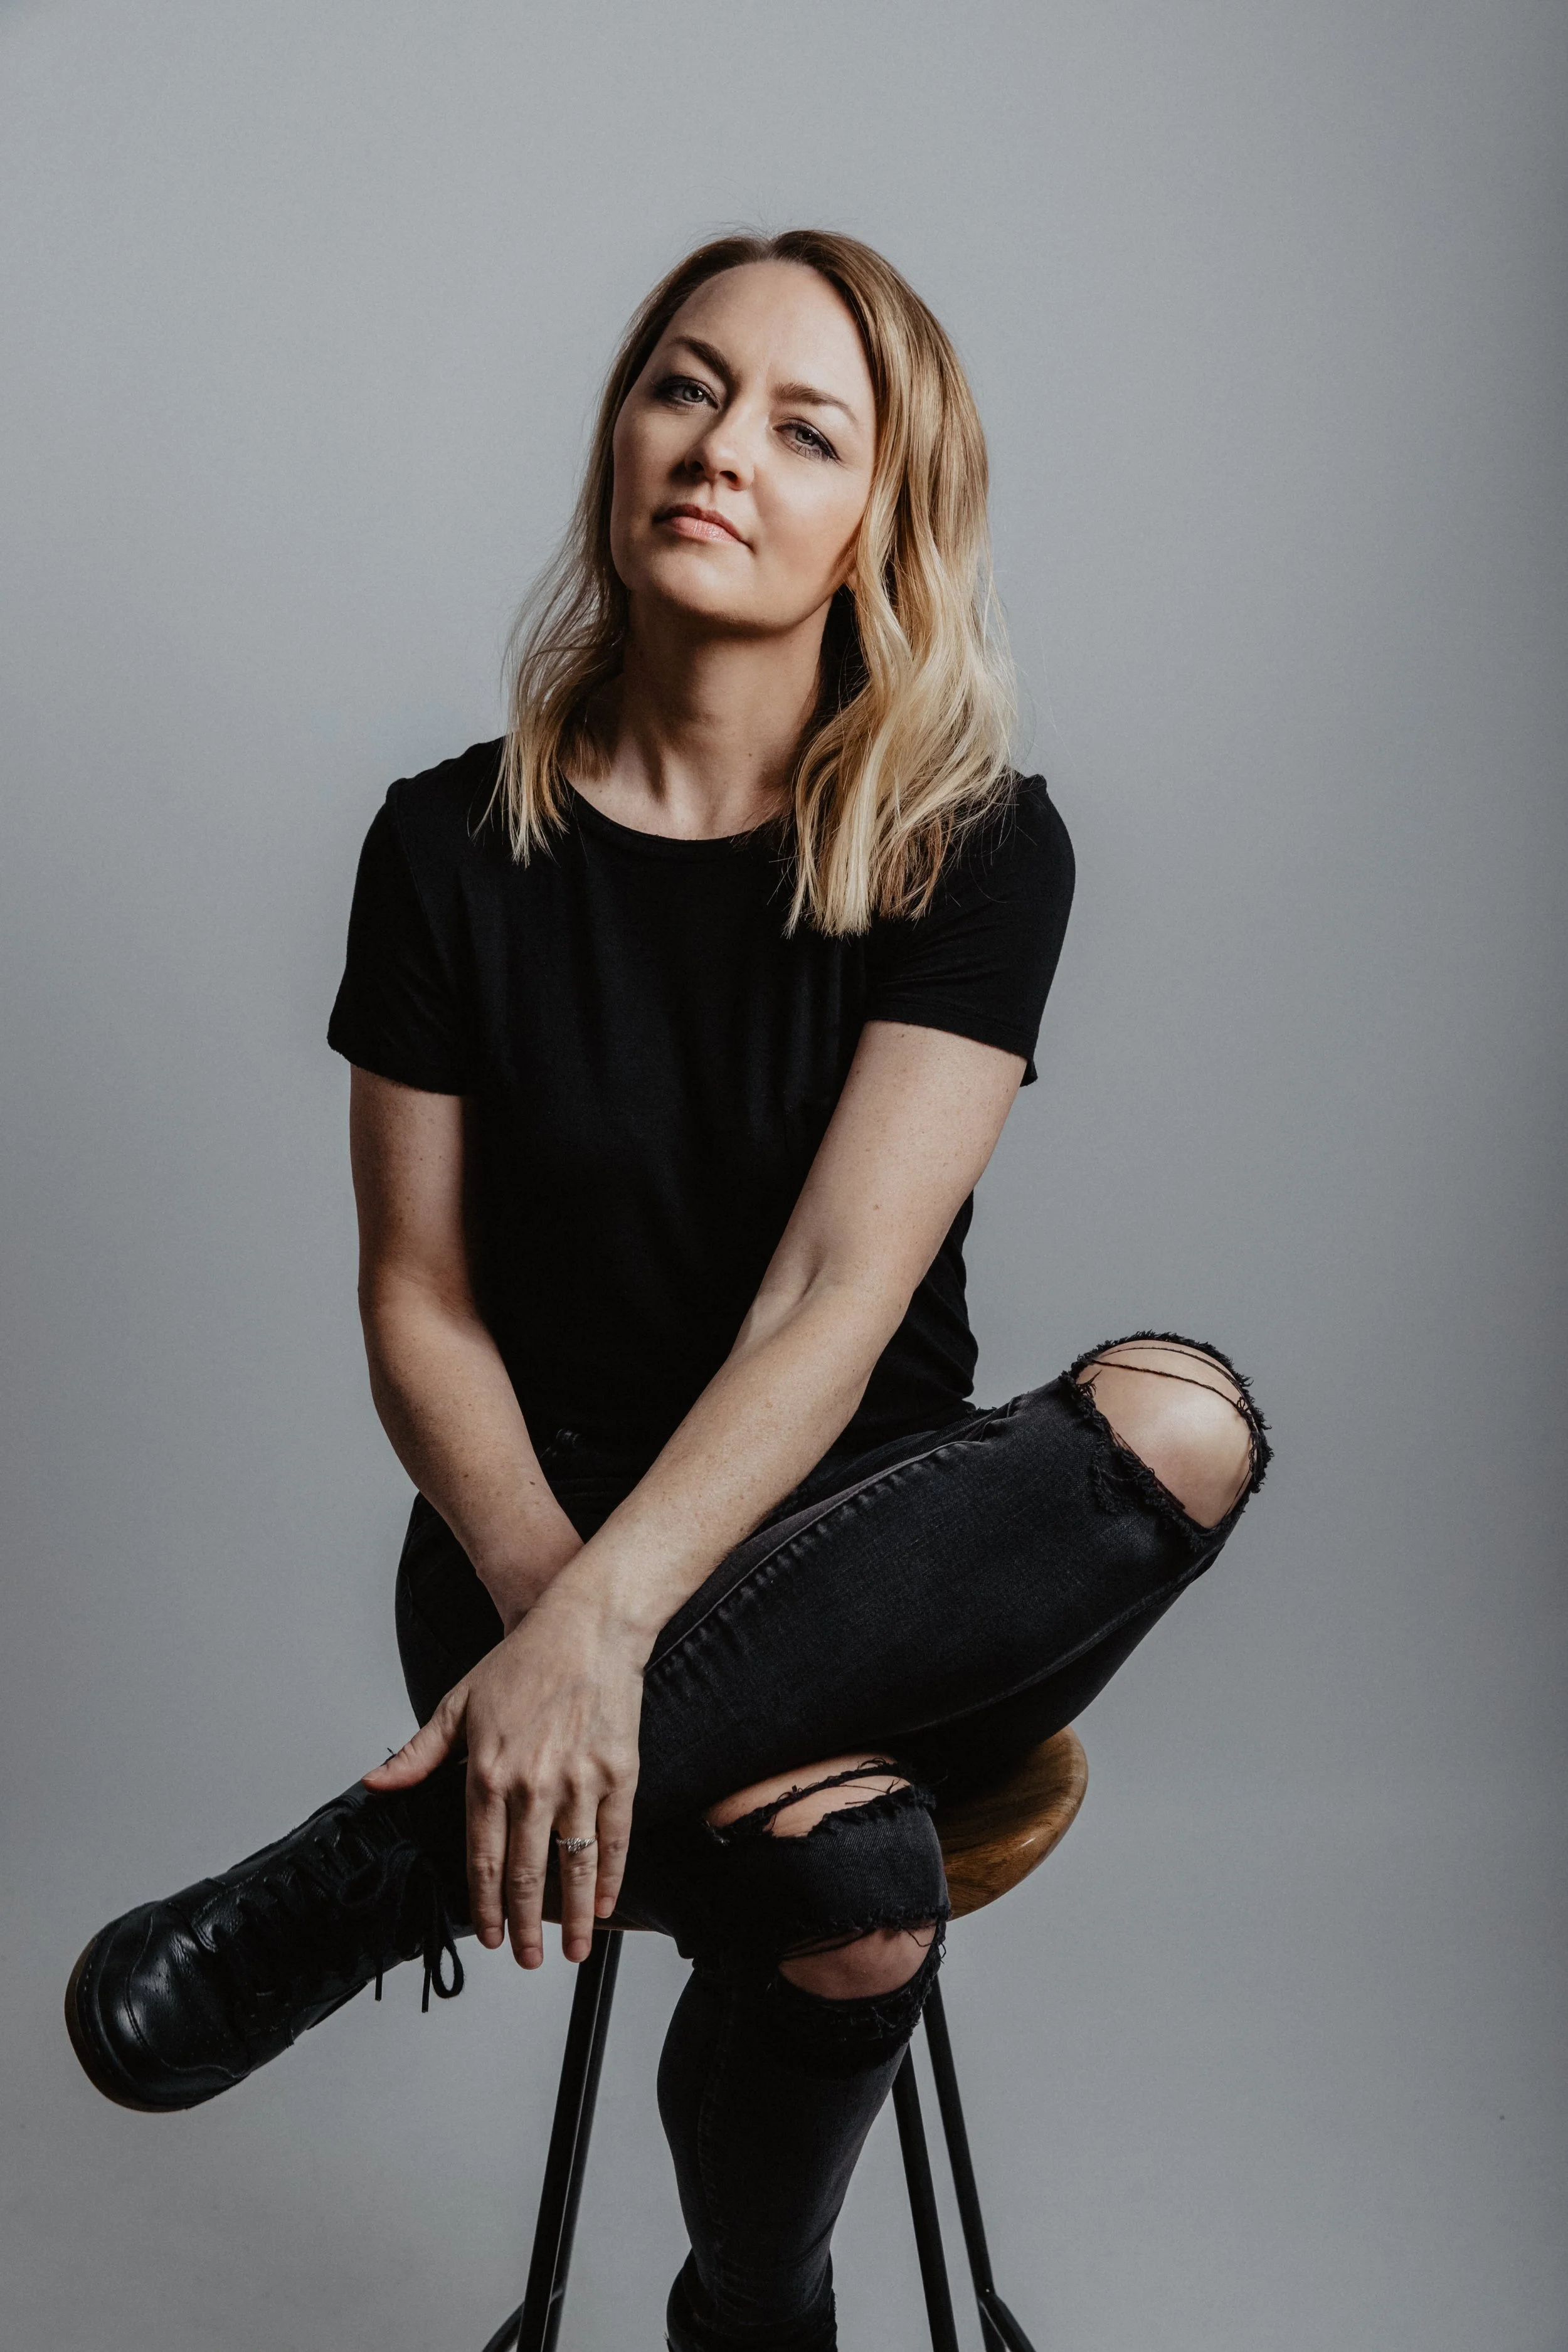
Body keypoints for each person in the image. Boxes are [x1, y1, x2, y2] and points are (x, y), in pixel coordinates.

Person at [63, 229, 1271, 2351]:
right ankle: (756, 2315)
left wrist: (625, 1636)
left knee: (1184, 1413)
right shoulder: (442, 848)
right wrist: (554, 1616)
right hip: (525, 1550)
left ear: (877, 524)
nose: (723, 449)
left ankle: (361, 1881)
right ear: (619, 437)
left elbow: (832, 1294)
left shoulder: (974, 846)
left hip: (873, 1564)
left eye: (805, 426)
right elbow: (419, 1307)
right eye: (684, 388)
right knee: (853, 1885)